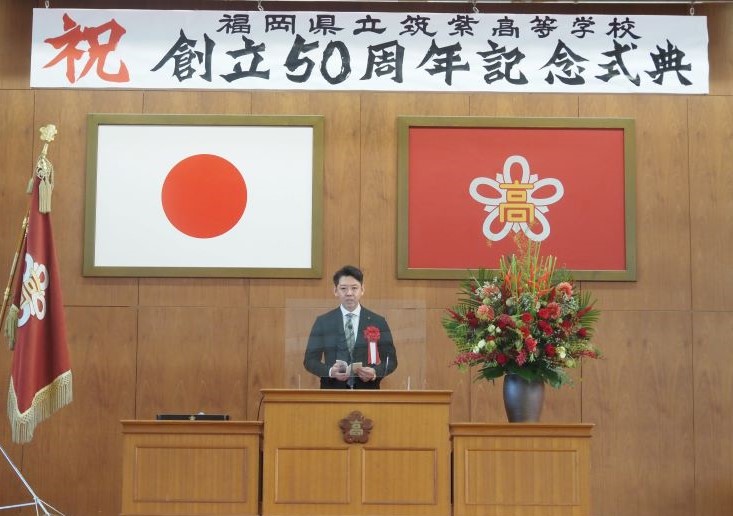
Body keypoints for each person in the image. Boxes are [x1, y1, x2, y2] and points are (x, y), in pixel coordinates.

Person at [303, 265, 397, 389]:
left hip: (367, 391)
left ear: (362, 290)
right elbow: (310, 361)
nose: (349, 293)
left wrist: (375, 372)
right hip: (332, 392)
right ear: (335, 291)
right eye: (343, 288)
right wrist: (330, 371)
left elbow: (391, 361)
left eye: (354, 288)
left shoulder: (377, 321)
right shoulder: (323, 322)